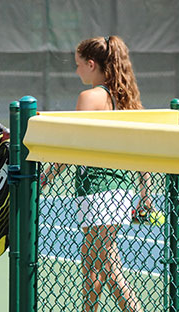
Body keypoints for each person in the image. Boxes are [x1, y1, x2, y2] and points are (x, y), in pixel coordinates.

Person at [73, 35, 150, 312]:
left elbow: (73, 145)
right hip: (120, 188)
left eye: (79, 64)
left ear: (91, 64)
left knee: (106, 263)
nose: (77, 70)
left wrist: (48, 174)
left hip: (97, 190)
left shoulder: (89, 97)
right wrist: (145, 191)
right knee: (94, 260)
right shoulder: (124, 98)